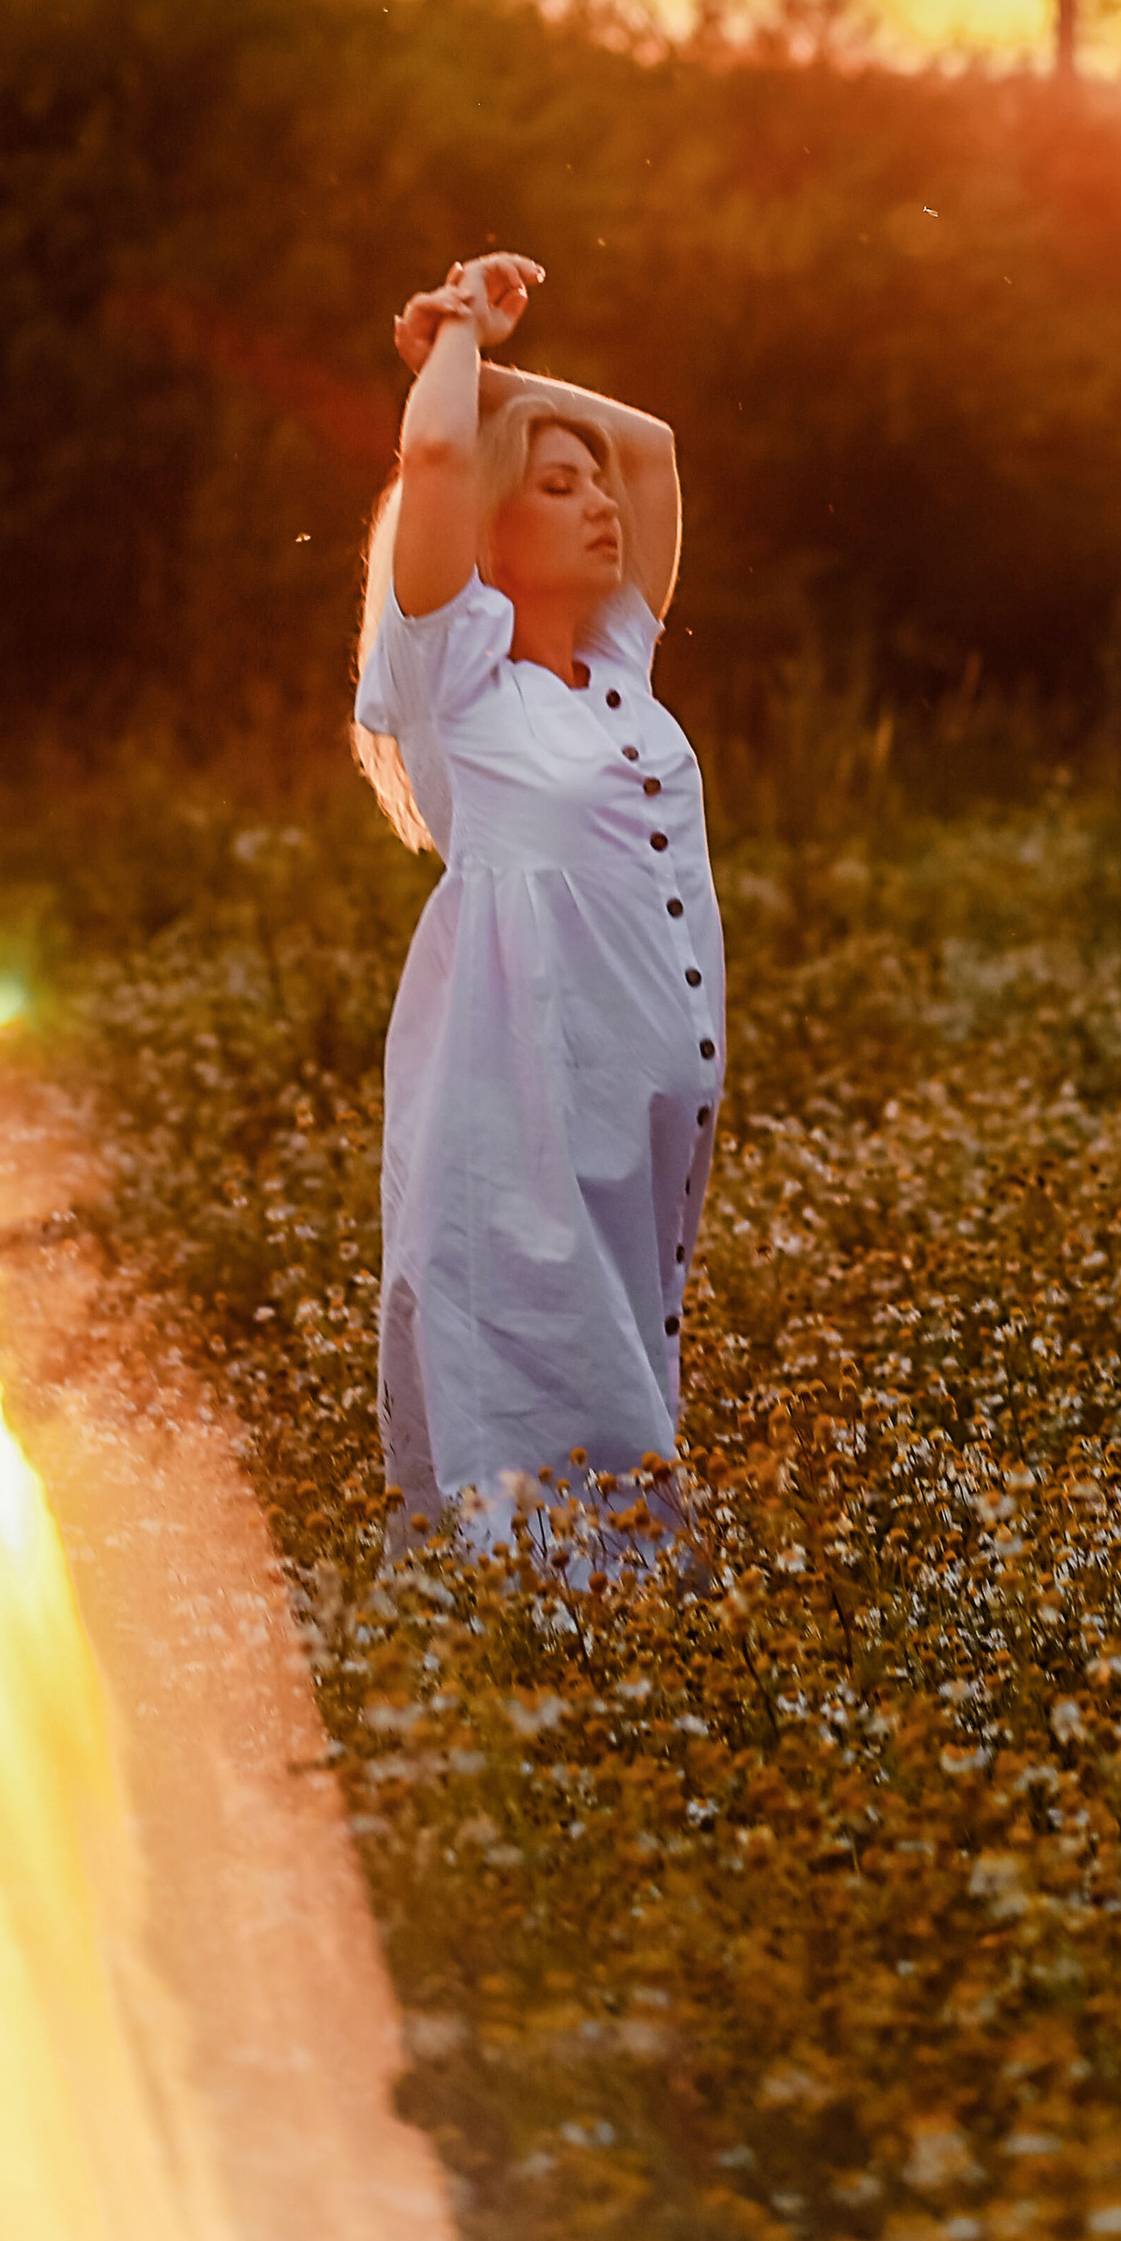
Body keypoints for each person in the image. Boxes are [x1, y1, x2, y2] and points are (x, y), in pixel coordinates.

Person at [350, 250, 725, 1571]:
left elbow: (654, 446)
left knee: (621, 1394)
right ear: (497, 532)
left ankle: (577, 1656)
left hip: (637, 1130)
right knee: (544, 1394)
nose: (599, 504)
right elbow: (442, 466)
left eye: (591, 489)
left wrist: (508, 381)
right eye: (555, 490)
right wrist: (453, 335)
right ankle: (541, 1658)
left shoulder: (619, 664)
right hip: (524, 1117)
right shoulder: (463, 682)